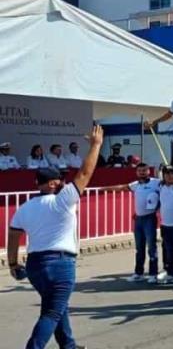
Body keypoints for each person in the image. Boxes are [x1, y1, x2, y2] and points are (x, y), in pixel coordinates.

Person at [7, 124, 103, 349]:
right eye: (59, 180)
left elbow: (13, 234)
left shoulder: (25, 206)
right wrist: (96, 145)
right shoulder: (62, 200)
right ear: (51, 184)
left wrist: (13, 262)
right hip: (59, 264)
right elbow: (86, 173)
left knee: (56, 305)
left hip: (35, 266)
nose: (63, 182)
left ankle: (68, 345)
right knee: (51, 311)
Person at [100, 163, 162, 283]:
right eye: (139, 171)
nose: (142, 172)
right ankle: (139, 273)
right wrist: (105, 189)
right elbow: (121, 187)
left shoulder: (156, 182)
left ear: (148, 171)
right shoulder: (135, 185)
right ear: (136, 172)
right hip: (138, 219)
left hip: (150, 218)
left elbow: (165, 191)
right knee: (139, 248)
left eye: (144, 170)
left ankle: (153, 274)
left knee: (152, 247)